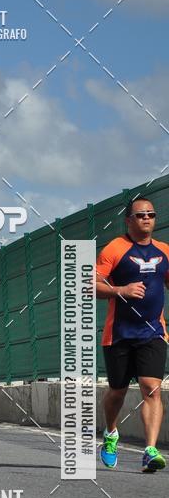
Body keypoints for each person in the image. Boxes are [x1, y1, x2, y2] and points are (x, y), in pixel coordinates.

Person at [96, 197, 168, 472]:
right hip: (119, 334)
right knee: (117, 392)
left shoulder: (164, 251)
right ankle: (111, 433)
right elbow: (90, 285)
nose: (146, 219)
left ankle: (150, 450)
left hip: (153, 332)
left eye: (151, 214)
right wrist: (120, 290)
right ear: (129, 220)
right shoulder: (115, 249)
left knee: (151, 388)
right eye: (140, 215)